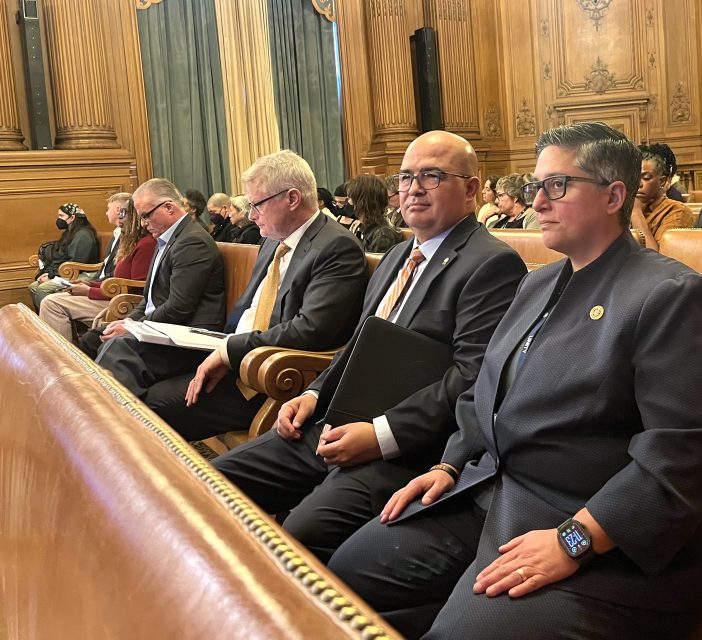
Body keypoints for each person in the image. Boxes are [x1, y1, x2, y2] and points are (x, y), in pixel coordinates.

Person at [326, 122, 702, 640]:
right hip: (494, 494)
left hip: (597, 537)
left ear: (614, 195)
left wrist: (577, 539)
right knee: (341, 581)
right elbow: (487, 391)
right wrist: (451, 462)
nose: (538, 202)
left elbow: (684, 456)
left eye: (557, 186)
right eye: (534, 187)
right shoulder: (539, 281)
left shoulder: (671, 296)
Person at [212, 130, 527, 564]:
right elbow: (359, 344)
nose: (413, 188)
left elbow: (471, 376)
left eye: (432, 176)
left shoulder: (491, 263)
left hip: (405, 446)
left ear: (471, 188)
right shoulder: (398, 256)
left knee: (301, 534)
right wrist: (313, 393)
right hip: (334, 422)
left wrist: (381, 435)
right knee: (214, 483)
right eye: (405, 177)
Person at [144, 150, 369, 440]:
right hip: (235, 360)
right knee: (135, 377)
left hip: (271, 378)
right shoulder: (271, 241)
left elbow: (310, 330)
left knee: (149, 406)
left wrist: (229, 352)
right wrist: (220, 348)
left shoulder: (336, 247)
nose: (251, 215)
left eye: (257, 205)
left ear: (292, 198)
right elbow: (247, 309)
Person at [94, 179, 226, 398]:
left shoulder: (192, 241)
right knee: (98, 336)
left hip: (190, 338)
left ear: (169, 207)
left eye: (145, 215)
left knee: (119, 350)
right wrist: (130, 322)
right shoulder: (167, 238)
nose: (143, 223)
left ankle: (126, 423)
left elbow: (179, 307)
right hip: (167, 329)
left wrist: (135, 327)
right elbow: (149, 299)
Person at [39, 193, 149, 341]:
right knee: (54, 298)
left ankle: (65, 359)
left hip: (122, 302)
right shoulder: (130, 241)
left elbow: (136, 288)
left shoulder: (146, 243)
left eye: (123, 216)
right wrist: (88, 284)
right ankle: (69, 351)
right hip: (111, 294)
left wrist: (90, 290)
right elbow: (116, 279)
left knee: (51, 304)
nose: (120, 223)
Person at [29, 202, 99, 310]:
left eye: (61, 216)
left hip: (82, 274)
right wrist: (48, 273)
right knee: (33, 287)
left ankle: (51, 320)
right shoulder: (70, 232)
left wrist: (51, 276)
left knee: (43, 289)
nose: (59, 219)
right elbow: (62, 258)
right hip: (66, 272)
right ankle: (43, 320)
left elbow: (76, 263)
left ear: (72, 217)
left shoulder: (83, 235)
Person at [631, 147, 693, 250]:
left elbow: (658, 261)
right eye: (633, 178)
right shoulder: (623, 210)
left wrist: (636, 213)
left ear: (662, 181)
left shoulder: (677, 211)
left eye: (646, 178)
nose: (638, 184)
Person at [348, 174, 403, 253]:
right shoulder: (364, 227)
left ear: (362, 202)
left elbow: (376, 265)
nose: (349, 203)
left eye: (351, 199)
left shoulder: (383, 235)